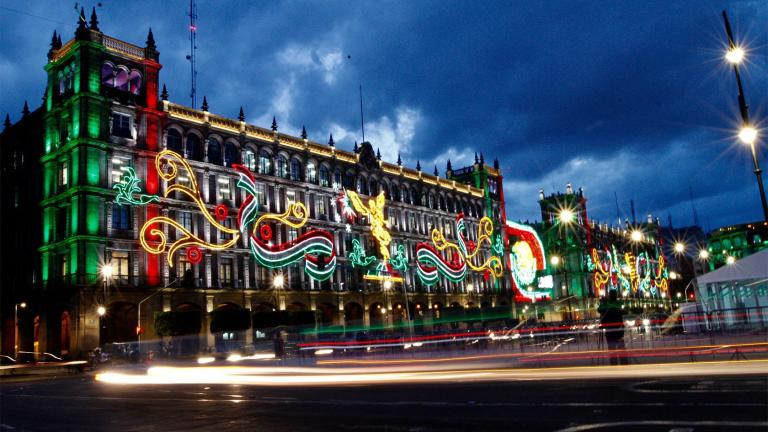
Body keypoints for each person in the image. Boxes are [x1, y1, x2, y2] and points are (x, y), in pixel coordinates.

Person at [598, 290, 628, 365]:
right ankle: (621, 363)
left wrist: (604, 303)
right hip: (617, 329)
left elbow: (600, 309)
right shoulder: (614, 303)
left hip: (612, 330)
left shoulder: (610, 303)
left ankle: (617, 363)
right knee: (618, 348)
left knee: (614, 349)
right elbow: (599, 310)